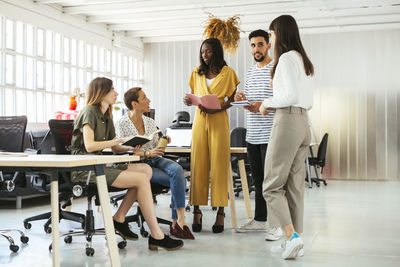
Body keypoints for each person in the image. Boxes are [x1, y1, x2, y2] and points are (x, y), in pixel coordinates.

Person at [70, 77, 183, 251]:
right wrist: (119, 140)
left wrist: (130, 147)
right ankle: (156, 235)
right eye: (112, 90)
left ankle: (119, 218)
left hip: (100, 165)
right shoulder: (89, 112)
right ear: (101, 93)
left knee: (145, 169)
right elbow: (90, 146)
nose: (116, 93)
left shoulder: (107, 115)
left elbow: (115, 148)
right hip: (85, 169)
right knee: (141, 180)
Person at [251, 15, 314, 260]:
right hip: (303, 122)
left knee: (271, 185)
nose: (270, 39)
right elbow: (305, 98)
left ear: (280, 34)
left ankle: (291, 237)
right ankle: (295, 239)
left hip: (287, 120)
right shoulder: (303, 59)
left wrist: (266, 102)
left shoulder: (286, 58)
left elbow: (288, 96)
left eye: (272, 34)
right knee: (294, 186)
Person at [116, 87, 194, 240]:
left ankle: (179, 220)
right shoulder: (122, 123)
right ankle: (176, 225)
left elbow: (155, 145)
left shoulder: (150, 121)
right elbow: (118, 147)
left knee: (177, 170)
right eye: (144, 98)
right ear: (134, 104)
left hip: (155, 158)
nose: (149, 100)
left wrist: (163, 141)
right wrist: (134, 149)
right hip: (137, 163)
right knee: (177, 180)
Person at [183, 38, 239, 234]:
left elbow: (232, 99)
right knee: (198, 163)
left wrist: (219, 108)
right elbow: (193, 95)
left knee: (219, 163)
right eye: (203, 52)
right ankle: (196, 211)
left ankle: (220, 213)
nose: (205, 55)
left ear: (216, 52)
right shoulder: (196, 73)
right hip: (199, 119)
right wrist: (189, 100)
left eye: (208, 51)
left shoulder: (228, 73)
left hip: (219, 119)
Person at [234, 29, 282, 241]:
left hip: (271, 132)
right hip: (252, 133)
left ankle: (277, 224)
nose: (256, 49)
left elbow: (281, 101)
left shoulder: (277, 69)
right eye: (253, 45)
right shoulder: (251, 71)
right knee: (259, 179)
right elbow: (252, 101)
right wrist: (242, 98)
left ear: (268, 45)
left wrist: (261, 105)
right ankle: (260, 219)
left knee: (273, 182)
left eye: (260, 44)